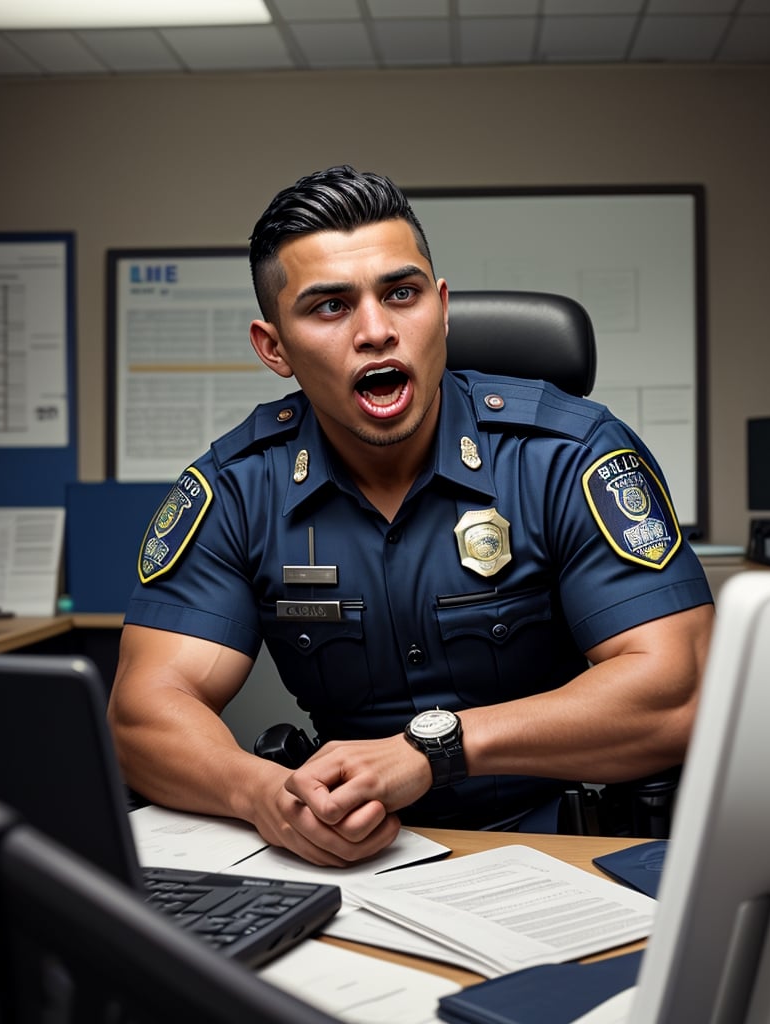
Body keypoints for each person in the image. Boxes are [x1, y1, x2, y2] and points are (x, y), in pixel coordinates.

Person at [108, 165, 714, 867]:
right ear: (274, 347)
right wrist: (265, 797)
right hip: (346, 858)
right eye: (330, 307)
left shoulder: (565, 455)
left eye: (401, 293)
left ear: (442, 307)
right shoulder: (240, 489)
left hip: (558, 841)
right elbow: (142, 711)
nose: (376, 330)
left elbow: (679, 691)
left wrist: (435, 748)